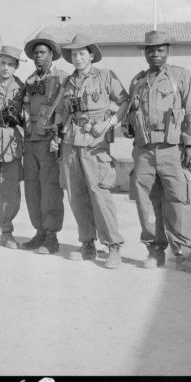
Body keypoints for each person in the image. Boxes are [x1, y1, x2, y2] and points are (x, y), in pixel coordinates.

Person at [123, 30, 191, 276]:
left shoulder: (179, 76)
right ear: (145, 53)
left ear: (167, 51)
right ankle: (154, 250)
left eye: (160, 49)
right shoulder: (137, 81)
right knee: (146, 201)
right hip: (144, 151)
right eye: (151, 50)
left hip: (172, 149)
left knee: (178, 200)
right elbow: (130, 114)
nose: (155, 54)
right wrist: (129, 125)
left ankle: (185, 254)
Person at [51, 33, 129, 269]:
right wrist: (57, 136)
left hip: (95, 144)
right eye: (74, 54)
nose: (77, 58)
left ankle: (113, 245)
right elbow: (61, 113)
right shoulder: (67, 82)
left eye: (82, 53)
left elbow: (125, 102)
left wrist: (109, 123)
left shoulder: (105, 77)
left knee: (99, 193)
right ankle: (87, 244)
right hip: (70, 145)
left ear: (91, 55)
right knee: (76, 195)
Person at [19, 34, 68, 254]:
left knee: (50, 189)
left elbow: (67, 110)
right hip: (30, 141)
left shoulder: (61, 78)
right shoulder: (29, 81)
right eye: (35, 53)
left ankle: (51, 236)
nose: (38, 57)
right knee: (32, 188)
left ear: (51, 55)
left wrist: (59, 137)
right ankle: (39, 231)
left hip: (50, 141)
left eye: (42, 53)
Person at [0, 45, 24, 249]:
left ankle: (6, 232)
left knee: (10, 193)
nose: (6, 68)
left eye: (10, 64)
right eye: (3, 63)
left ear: (16, 67)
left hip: (12, 142)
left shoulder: (22, 88)